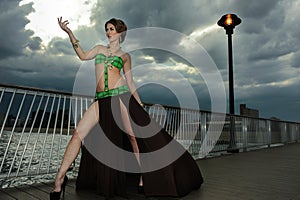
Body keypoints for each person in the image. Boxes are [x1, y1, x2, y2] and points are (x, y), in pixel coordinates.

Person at [50, 17, 203, 200]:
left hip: (121, 96)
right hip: (101, 100)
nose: (108, 32)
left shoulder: (125, 56)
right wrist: (70, 33)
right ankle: (58, 181)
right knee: (78, 134)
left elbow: (130, 82)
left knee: (133, 136)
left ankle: (143, 177)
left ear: (120, 33)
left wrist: (138, 103)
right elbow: (82, 56)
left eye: (112, 29)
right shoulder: (99, 49)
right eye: (107, 28)